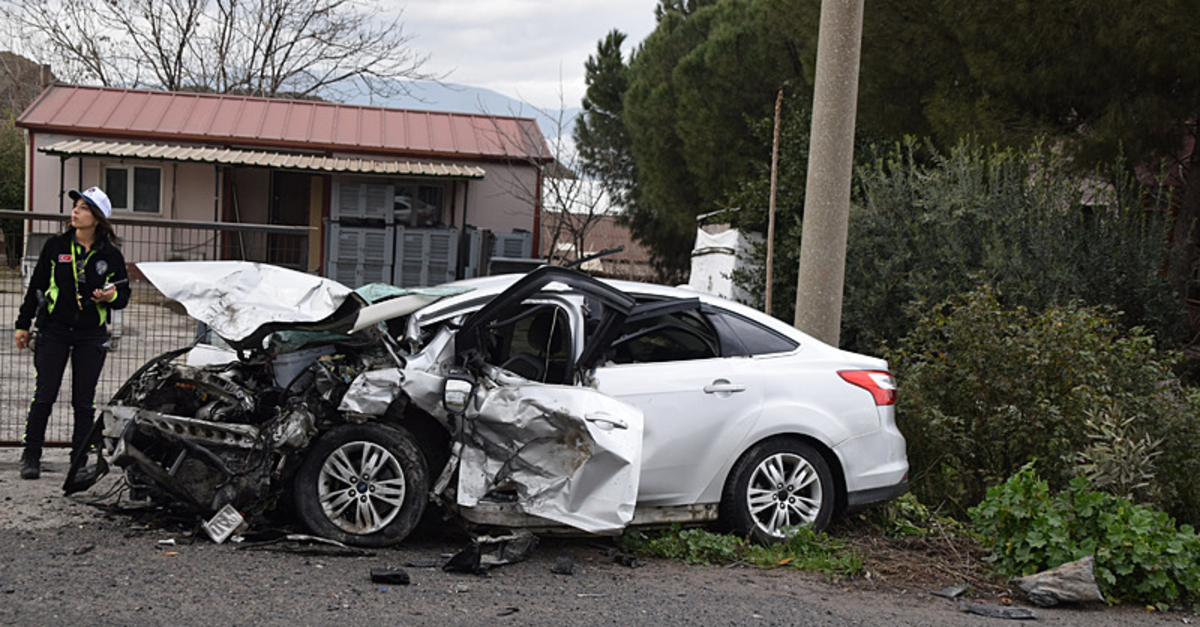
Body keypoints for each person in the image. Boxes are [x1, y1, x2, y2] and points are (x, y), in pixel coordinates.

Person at [13, 186, 130, 480]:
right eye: (75, 206)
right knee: (45, 396)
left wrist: (110, 297)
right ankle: (31, 455)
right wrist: (22, 324)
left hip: (91, 334)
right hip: (54, 330)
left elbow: (124, 295)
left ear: (98, 218)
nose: (75, 212)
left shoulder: (111, 256)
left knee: (83, 401)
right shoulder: (56, 246)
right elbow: (36, 286)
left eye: (83, 208)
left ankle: (78, 459)